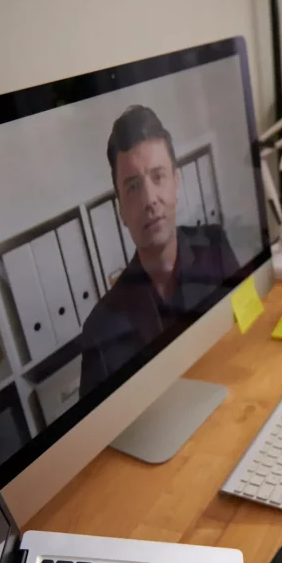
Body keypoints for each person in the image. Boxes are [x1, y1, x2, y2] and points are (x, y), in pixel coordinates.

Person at [79, 105, 238, 398]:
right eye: (133, 187)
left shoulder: (215, 247)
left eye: (158, 177)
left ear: (176, 185)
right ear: (122, 212)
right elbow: (96, 439)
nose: (150, 200)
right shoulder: (99, 328)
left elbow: (251, 325)